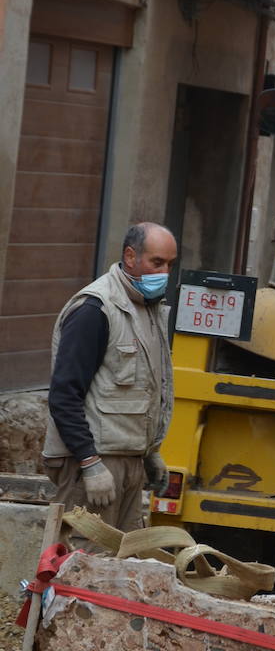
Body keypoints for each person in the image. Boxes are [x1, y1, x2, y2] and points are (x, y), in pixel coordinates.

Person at [43, 221, 179, 535]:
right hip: (95, 463)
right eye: (156, 262)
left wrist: (151, 452)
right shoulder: (95, 309)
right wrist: (90, 463)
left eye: (170, 265)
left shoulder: (147, 310)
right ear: (130, 257)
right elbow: (64, 395)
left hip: (129, 464)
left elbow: (144, 390)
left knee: (121, 568)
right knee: (79, 568)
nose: (165, 273)